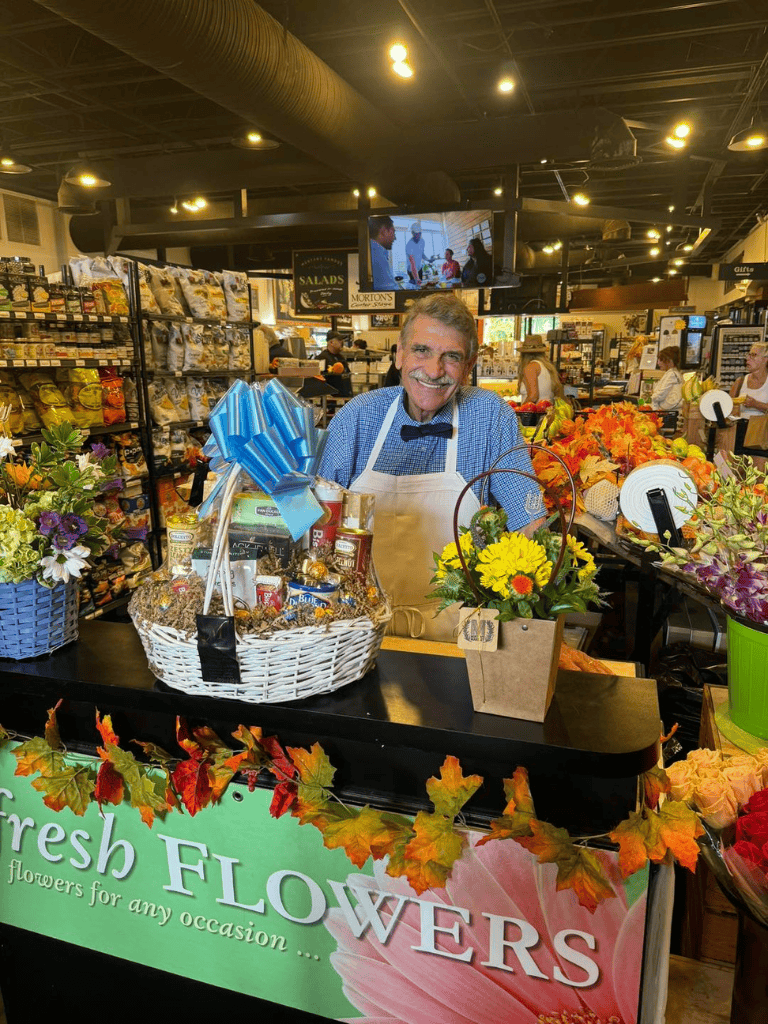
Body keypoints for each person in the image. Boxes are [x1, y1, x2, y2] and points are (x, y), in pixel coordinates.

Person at [318, 292, 546, 642]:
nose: (434, 370)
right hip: (358, 629)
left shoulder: (490, 416)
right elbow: (319, 523)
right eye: (422, 350)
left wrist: (524, 612)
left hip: (462, 629)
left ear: (468, 368)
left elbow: (529, 523)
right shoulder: (358, 416)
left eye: (451, 357)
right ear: (399, 354)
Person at [517, 335, 563, 404]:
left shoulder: (531, 367)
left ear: (523, 354)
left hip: (534, 413)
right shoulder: (547, 367)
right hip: (546, 411)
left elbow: (533, 397)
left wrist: (520, 409)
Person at [730, 342, 768, 417]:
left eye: (754, 355)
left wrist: (756, 404)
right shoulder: (740, 382)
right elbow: (728, 408)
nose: (748, 359)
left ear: (765, 359)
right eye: (748, 355)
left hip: (762, 427)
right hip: (741, 428)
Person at [369, 215, 398, 291]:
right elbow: (390, 291)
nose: (395, 238)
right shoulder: (377, 254)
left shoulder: (372, 249)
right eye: (393, 232)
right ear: (383, 231)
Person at [651, 346, 684, 412]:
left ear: (669, 361)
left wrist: (652, 397)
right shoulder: (673, 373)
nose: (658, 363)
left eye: (661, 360)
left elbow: (660, 395)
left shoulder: (672, 374)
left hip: (669, 413)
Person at [406, 222, 426, 286]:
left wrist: (428, 259)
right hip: (411, 270)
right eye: (416, 234)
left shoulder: (422, 241)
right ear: (412, 233)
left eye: (419, 234)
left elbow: (422, 254)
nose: (418, 236)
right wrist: (416, 278)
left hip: (419, 268)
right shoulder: (409, 245)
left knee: (421, 285)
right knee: (414, 285)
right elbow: (412, 263)